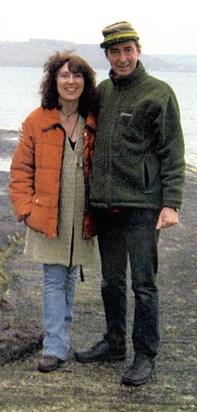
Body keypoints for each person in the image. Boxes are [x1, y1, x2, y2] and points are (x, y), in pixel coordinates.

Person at [74, 21, 185, 386]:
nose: (122, 58)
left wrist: (171, 204)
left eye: (128, 50)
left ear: (138, 50)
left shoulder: (159, 92)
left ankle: (145, 354)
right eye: (114, 52)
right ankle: (114, 342)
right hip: (106, 206)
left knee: (144, 283)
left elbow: (172, 153)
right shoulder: (102, 92)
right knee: (110, 282)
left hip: (143, 206)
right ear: (106, 54)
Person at [9, 51, 99, 373]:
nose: (70, 81)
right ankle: (55, 346)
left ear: (85, 82)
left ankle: (61, 331)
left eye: (77, 76)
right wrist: (25, 211)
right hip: (48, 215)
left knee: (71, 274)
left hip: (82, 216)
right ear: (54, 81)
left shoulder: (93, 119)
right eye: (64, 75)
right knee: (53, 278)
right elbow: (20, 170)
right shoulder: (37, 120)